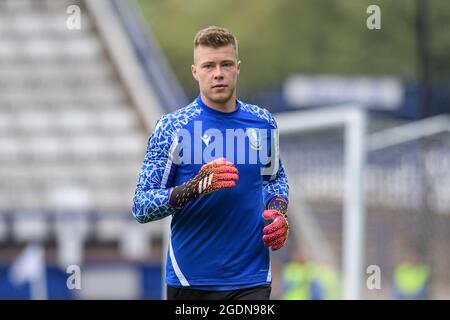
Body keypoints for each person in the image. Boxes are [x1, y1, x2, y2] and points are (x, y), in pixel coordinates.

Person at [132, 26, 289, 300]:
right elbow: (142, 205)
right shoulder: (172, 127)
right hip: (190, 281)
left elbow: (275, 179)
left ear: (237, 67)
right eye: (209, 66)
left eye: (226, 64)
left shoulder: (263, 122)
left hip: (251, 279)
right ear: (195, 71)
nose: (218, 73)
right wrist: (193, 188)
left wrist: (277, 210)